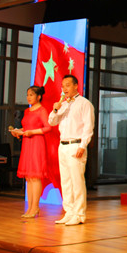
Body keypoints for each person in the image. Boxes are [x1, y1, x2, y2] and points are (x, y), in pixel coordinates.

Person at [48, 75, 94, 227]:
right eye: (63, 86)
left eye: (67, 85)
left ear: (76, 86)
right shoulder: (63, 104)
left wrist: (83, 145)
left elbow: (88, 127)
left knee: (77, 181)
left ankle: (79, 214)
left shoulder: (84, 104)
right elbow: (51, 122)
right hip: (63, 145)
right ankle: (69, 212)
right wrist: (56, 109)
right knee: (66, 181)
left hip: (76, 144)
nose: (64, 88)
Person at [11, 86, 51, 218]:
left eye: (31, 95)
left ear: (39, 97)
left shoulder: (42, 110)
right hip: (27, 143)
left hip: (37, 143)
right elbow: (27, 127)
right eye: (27, 95)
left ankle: (35, 207)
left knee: (35, 176)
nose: (28, 97)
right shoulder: (27, 111)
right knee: (28, 177)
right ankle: (30, 207)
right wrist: (19, 131)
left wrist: (32, 132)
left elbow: (48, 127)